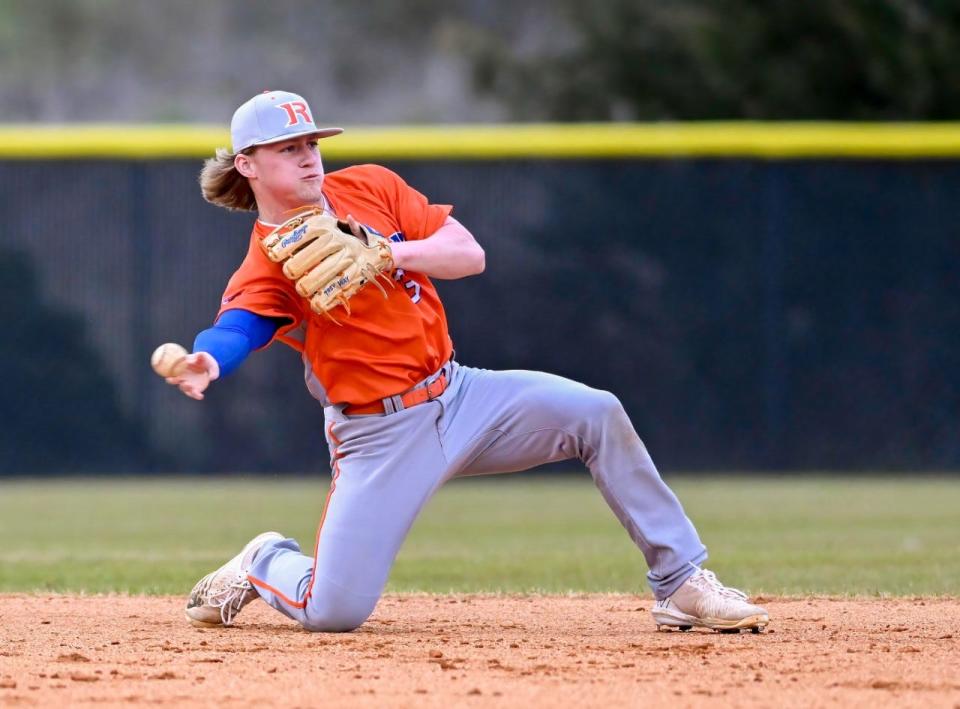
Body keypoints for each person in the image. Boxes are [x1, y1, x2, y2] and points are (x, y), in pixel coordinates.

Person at [168, 90, 769, 634]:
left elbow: (467, 253)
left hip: (462, 396)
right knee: (335, 613)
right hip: (380, 436)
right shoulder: (269, 264)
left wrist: (387, 253)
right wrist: (206, 361)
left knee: (597, 413)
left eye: (311, 143)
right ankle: (264, 559)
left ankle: (681, 583)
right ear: (247, 164)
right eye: (287, 148)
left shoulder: (371, 188)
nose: (308, 157)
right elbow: (239, 327)